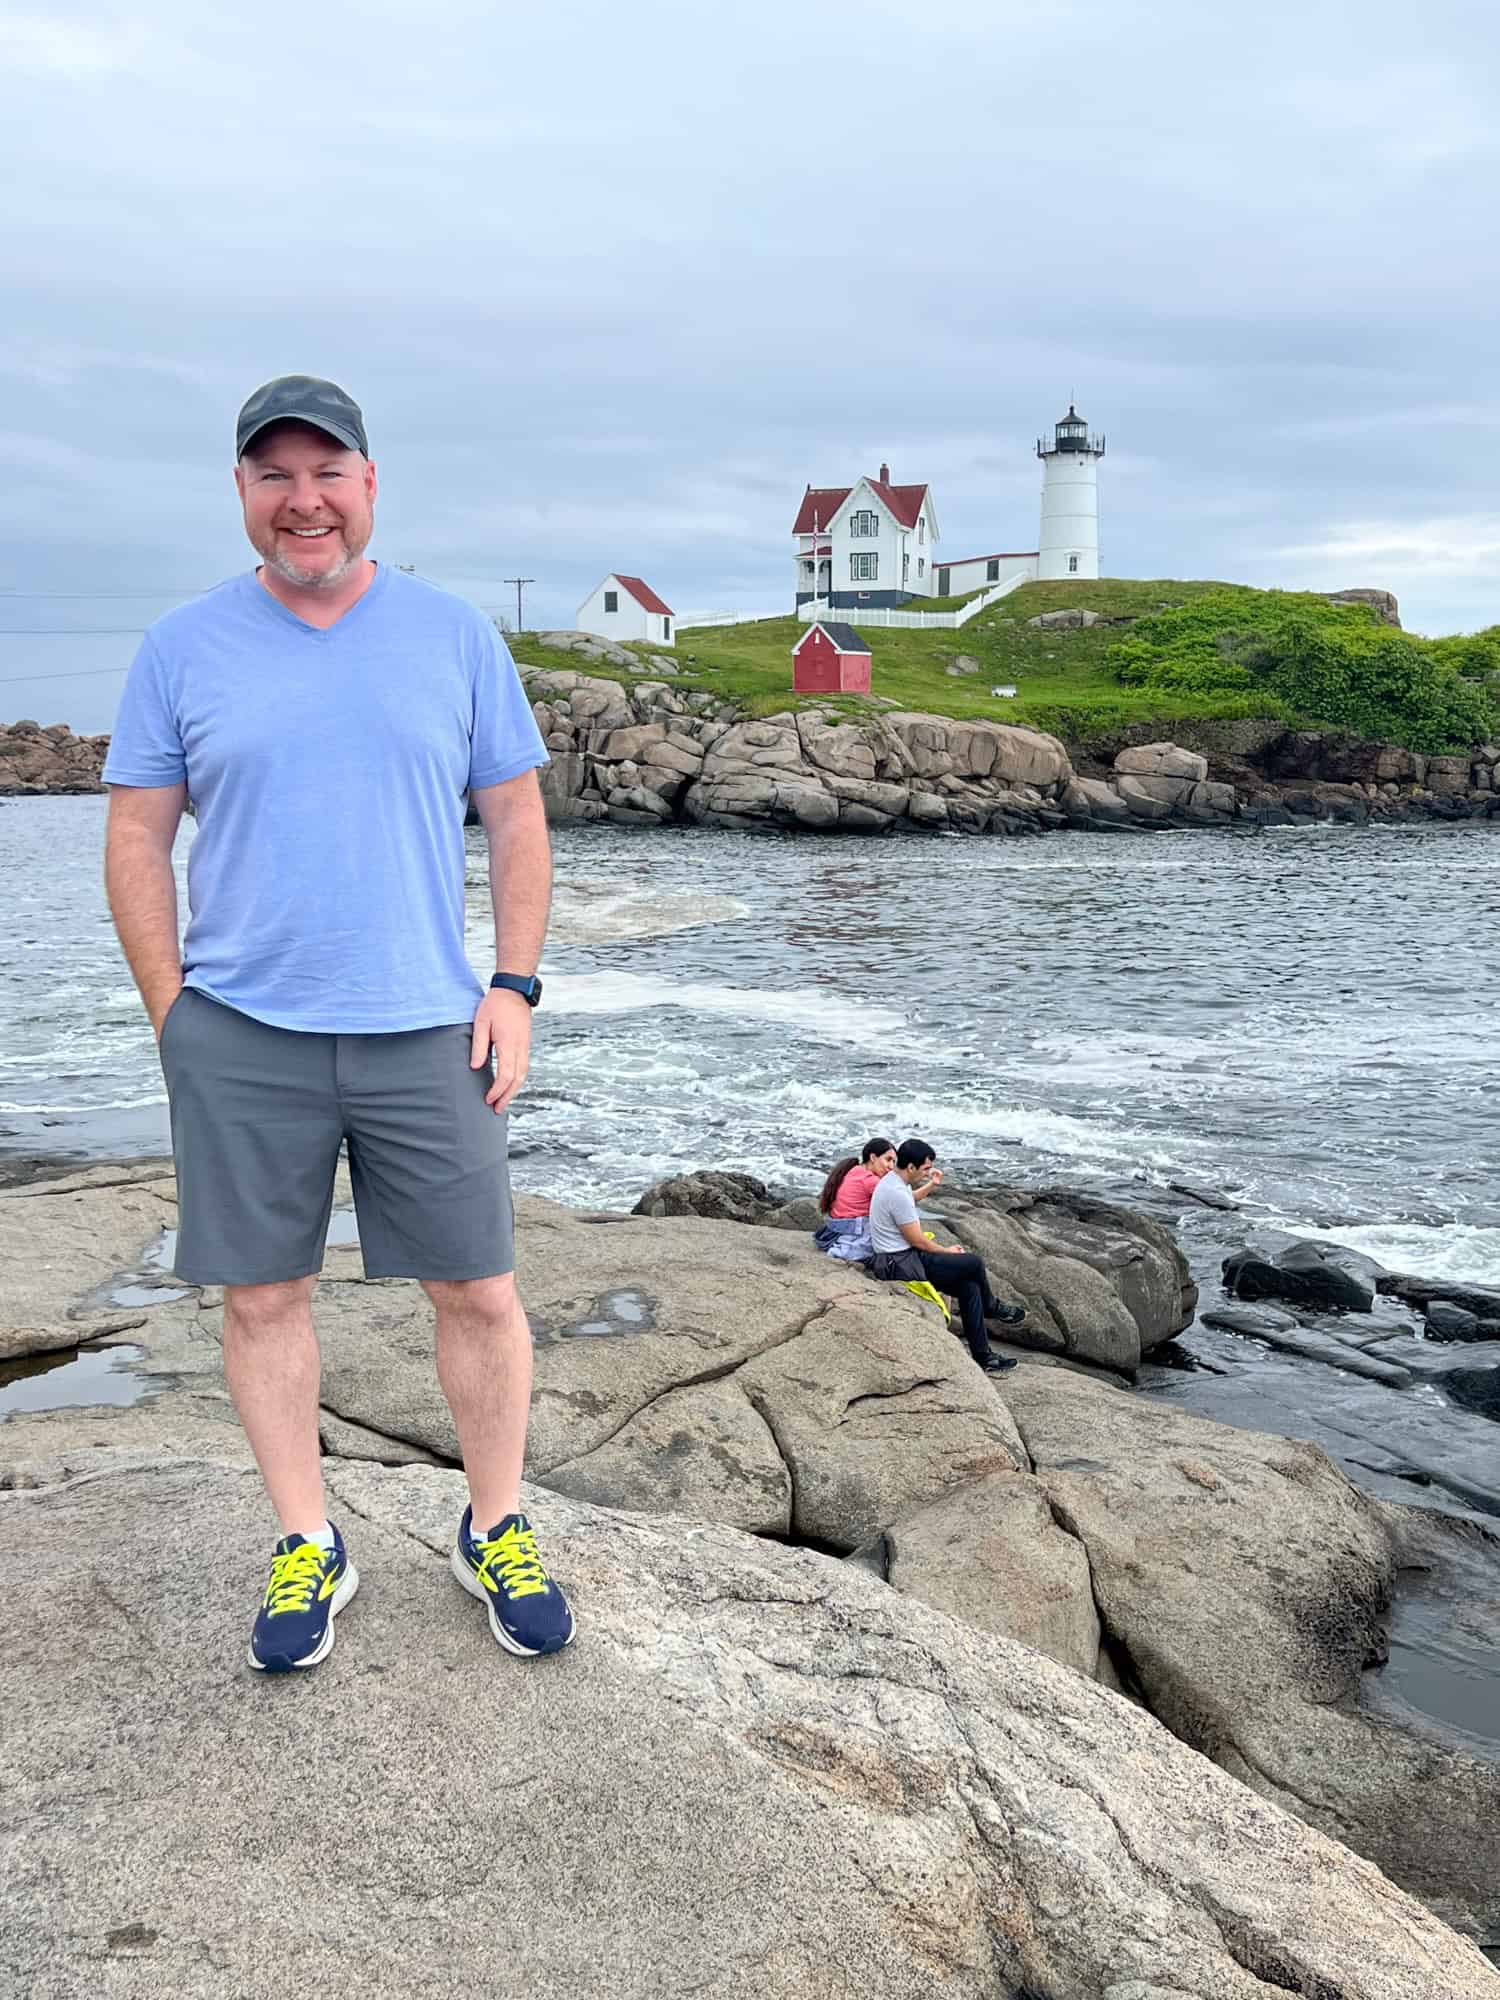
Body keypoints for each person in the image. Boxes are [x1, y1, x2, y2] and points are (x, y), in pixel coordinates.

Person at [102, 375, 574, 1674]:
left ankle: (496, 1523)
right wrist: (172, 1014)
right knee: (262, 1298)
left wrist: (514, 985)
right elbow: (136, 834)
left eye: (328, 473)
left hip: (429, 1026)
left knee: (477, 1287)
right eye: (274, 476)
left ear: (370, 485)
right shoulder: (181, 647)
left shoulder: (452, 636)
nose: (302, 500)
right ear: (245, 495)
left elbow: (518, 817)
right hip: (242, 1028)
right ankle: (310, 1539)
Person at [868, 1139, 1025, 1374]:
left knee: (970, 1288)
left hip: (901, 1257)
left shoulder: (893, 1182)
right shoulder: (896, 1192)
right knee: (973, 1263)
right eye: (924, 1169)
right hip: (899, 1263)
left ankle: (983, 1356)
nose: (926, 1173)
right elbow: (917, 1241)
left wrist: (932, 1183)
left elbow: (910, 1201)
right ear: (910, 1167)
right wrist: (947, 1251)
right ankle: (991, 1307)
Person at [814, 1137, 941, 1262]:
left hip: (833, 1229)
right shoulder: (871, 1181)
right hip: (851, 1231)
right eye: (888, 1160)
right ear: (873, 1157)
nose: (891, 1166)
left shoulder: (854, 1170)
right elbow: (909, 1198)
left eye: (893, 1161)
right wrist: (932, 1184)